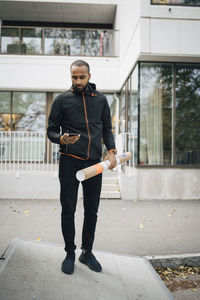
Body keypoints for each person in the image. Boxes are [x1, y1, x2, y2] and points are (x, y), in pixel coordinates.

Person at [47, 59, 117, 275]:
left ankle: (87, 252)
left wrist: (112, 151)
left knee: (92, 211)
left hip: (94, 163)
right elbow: (51, 131)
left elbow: (107, 128)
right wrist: (62, 139)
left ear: (89, 75)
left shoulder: (101, 100)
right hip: (69, 162)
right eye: (74, 77)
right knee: (68, 209)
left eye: (81, 77)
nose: (77, 81)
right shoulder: (62, 100)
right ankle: (70, 253)